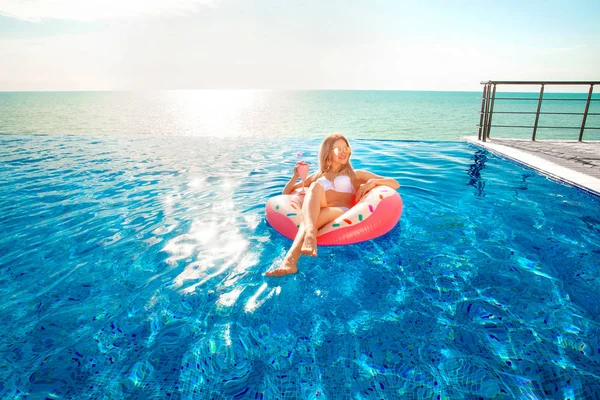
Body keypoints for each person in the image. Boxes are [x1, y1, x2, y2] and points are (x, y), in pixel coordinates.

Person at [265, 133, 400, 277]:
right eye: (338, 150)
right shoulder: (318, 175)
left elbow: (394, 183)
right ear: (328, 153)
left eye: (346, 149)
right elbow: (287, 193)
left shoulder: (355, 174)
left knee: (308, 220)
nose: (343, 153)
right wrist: (295, 177)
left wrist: (373, 182)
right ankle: (300, 248)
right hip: (318, 209)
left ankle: (290, 261)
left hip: (340, 212)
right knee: (315, 187)